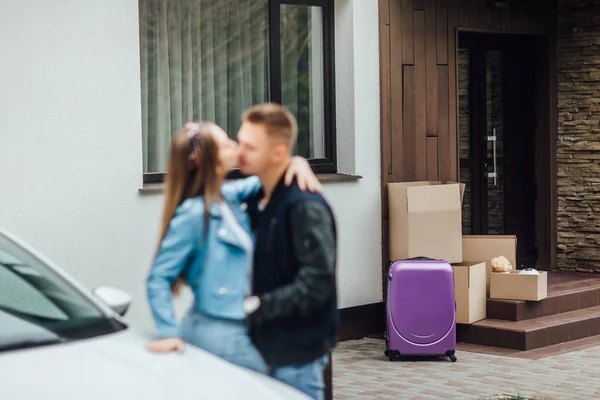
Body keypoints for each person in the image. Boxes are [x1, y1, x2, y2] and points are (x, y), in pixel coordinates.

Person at [145, 121, 321, 374]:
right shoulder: (193, 214)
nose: (235, 146)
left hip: (242, 325)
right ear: (212, 161)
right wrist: (168, 332)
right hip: (218, 331)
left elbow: (270, 179)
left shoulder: (227, 196)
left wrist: (297, 162)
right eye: (226, 144)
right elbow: (158, 277)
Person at [237, 103, 338, 400]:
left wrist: (257, 306)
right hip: (264, 349)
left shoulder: (304, 206)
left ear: (278, 153)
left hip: (296, 357)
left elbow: (318, 283)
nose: (241, 151)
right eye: (240, 141)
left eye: (249, 146)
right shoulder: (256, 199)